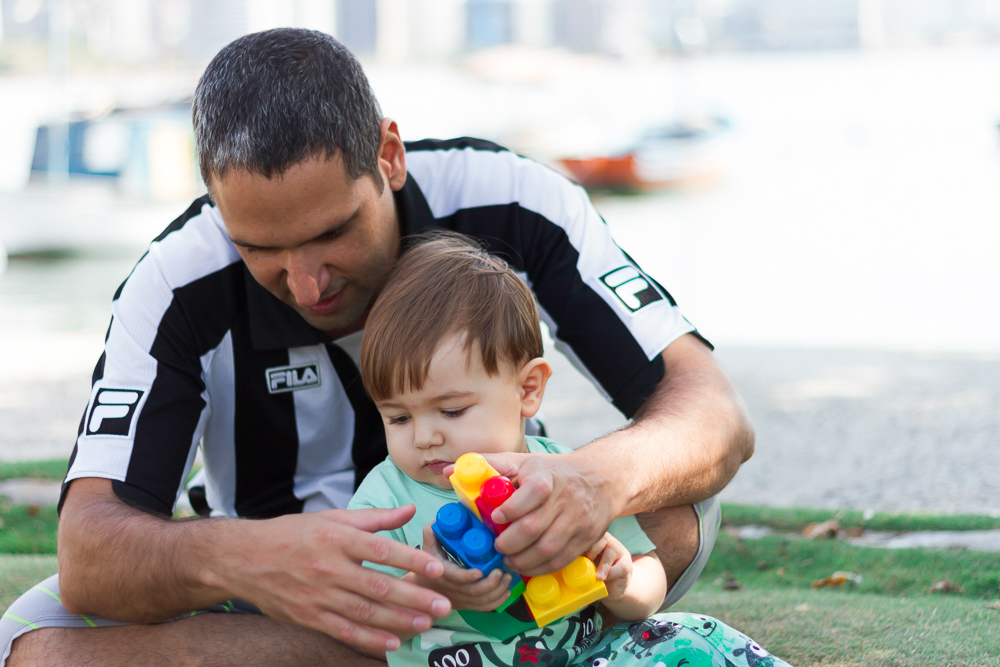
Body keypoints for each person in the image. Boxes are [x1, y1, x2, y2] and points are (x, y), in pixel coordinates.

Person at [1, 28, 753, 667]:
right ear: (213, 200)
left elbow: (713, 412)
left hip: (504, 560)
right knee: (32, 645)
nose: (306, 282)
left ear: (388, 155)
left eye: (332, 232)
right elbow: (91, 548)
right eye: (261, 246)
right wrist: (246, 556)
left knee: (679, 507)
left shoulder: (513, 200)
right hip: (281, 590)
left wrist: (591, 483)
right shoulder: (173, 283)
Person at [349, 232, 789, 666]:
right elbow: (362, 625)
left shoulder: (564, 474)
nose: (424, 437)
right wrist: (433, 588)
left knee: (693, 635)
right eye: (399, 418)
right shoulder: (385, 500)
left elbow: (645, 588)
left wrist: (622, 581)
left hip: (587, 660)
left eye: (452, 411)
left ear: (528, 389)